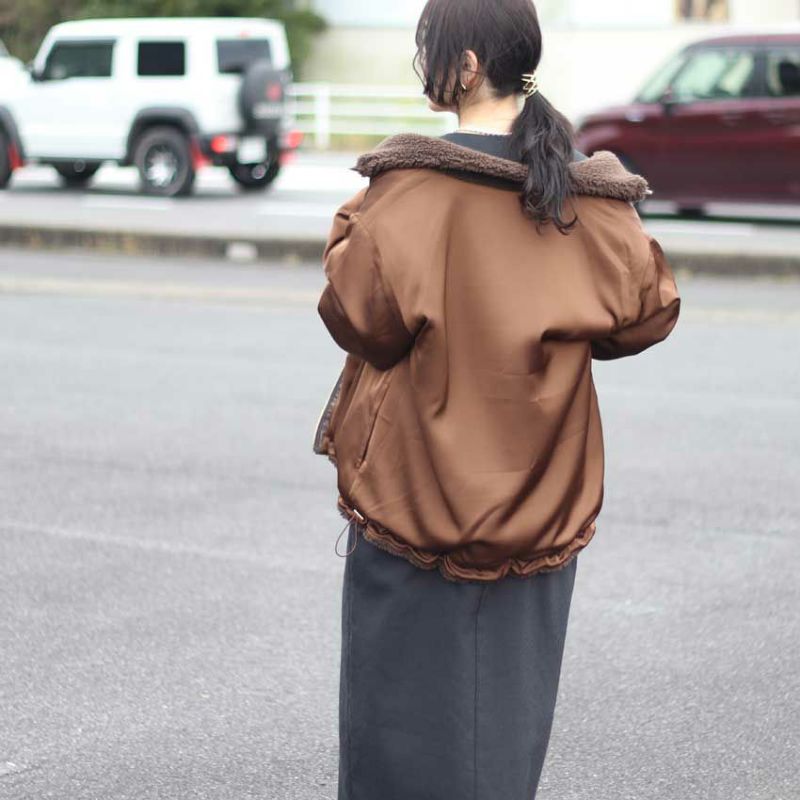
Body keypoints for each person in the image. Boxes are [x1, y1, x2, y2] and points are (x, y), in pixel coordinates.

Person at [313, 1, 681, 798]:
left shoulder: (412, 188)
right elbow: (646, 311)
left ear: (469, 65)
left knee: (397, 735)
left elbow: (358, 317)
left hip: (414, 501)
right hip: (541, 502)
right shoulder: (579, 191)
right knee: (503, 735)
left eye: (429, 49)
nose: (423, 65)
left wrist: (357, 211)